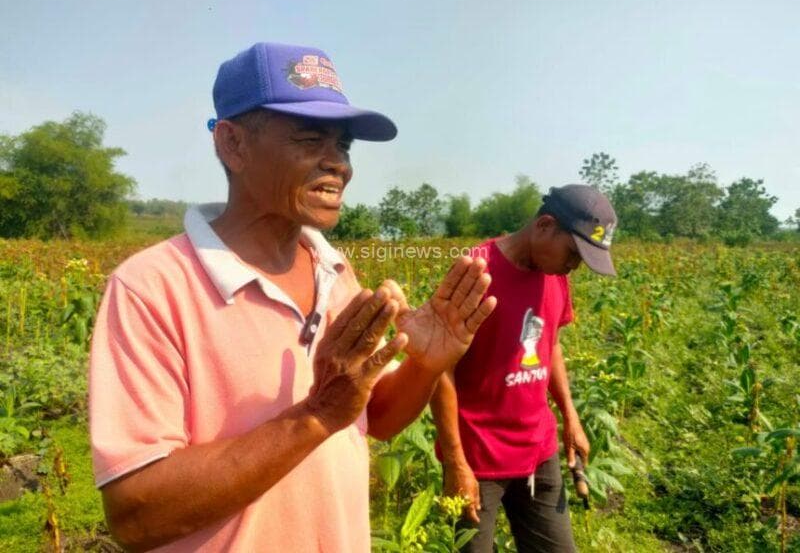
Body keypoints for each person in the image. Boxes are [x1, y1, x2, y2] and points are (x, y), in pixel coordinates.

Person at [89, 42, 497, 552]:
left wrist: (425, 366)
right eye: (309, 138)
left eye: (344, 146)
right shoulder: (152, 287)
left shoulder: (336, 272)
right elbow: (137, 514)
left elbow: (372, 417)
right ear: (233, 144)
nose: (338, 165)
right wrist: (314, 416)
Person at [430, 184, 618, 553]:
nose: (574, 266)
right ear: (545, 225)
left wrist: (570, 416)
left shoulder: (555, 274)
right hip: (478, 457)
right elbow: (439, 366)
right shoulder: (476, 270)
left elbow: (552, 344)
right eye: (574, 253)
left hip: (539, 450)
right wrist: (455, 461)